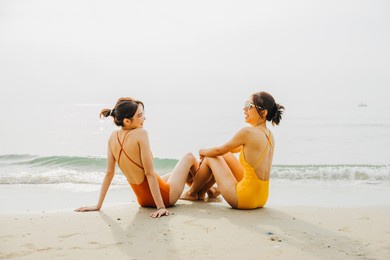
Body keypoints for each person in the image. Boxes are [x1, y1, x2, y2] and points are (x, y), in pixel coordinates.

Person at [75, 97, 199, 218]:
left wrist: (98, 205)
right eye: (139, 116)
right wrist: (161, 207)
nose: (144, 118)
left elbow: (109, 173)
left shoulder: (112, 137)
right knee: (189, 157)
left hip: (143, 201)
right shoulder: (141, 134)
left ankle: (199, 192)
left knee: (178, 174)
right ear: (127, 121)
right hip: (166, 198)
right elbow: (149, 173)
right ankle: (200, 192)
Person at [181, 92, 284, 209]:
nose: (244, 108)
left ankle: (192, 193)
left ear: (263, 113)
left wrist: (202, 152)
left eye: (249, 105)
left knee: (211, 157)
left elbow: (218, 151)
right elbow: (229, 150)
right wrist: (212, 153)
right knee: (224, 155)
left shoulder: (248, 132)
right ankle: (210, 191)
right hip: (261, 197)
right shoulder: (269, 135)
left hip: (243, 198)